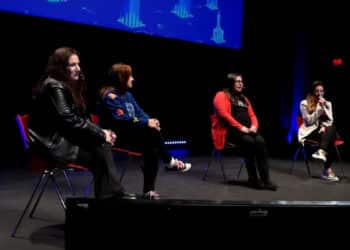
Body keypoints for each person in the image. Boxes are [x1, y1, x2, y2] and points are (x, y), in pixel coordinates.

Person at [28, 47, 136, 199]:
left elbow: (80, 118)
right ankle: (111, 197)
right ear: (60, 67)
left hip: (65, 138)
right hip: (52, 145)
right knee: (99, 154)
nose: (78, 68)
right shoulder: (54, 85)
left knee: (101, 145)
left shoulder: (67, 84)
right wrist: (100, 133)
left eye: (78, 64)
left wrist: (103, 132)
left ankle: (112, 196)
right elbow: (69, 119)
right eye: (72, 65)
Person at [98, 63, 191, 200]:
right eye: (129, 76)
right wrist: (147, 123)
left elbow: (140, 112)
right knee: (151, 135)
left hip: (131, 135)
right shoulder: (110, 96)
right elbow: (123, 120)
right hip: (116, 139)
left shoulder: (128, 95)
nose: (132, 79)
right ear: (120, 78)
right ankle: (169, 161)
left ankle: (149, 191)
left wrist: (151, 121)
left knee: (152, 146)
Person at [211, 73, 278, 191]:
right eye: (237, 81)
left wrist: (254, 126)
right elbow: (224, 115)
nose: (241, 83)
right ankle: (253, 179)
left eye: (241, 81)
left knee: (261, 142)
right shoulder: (221, 95)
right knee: (249, 142)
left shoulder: (244, 99)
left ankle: (265, 179)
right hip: (231, 132)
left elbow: (252, 115)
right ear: (231, 82)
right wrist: (241, 127)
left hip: (247, 130)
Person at [298, 80, 339, 181]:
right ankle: (327, 170)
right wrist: (319, 109)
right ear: (313, 92)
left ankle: (321, 150)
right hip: (310, 131)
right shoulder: (304, 103)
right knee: (331, 137)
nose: (319, 94)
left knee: (332, 129)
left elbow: (331, 120)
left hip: (323, 131)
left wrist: (324, 126)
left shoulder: (328, 103)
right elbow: (308, 122)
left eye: (322, 91)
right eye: (317, 91)